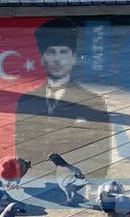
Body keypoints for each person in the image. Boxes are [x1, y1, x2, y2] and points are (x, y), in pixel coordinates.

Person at [7, 18, 111, 176]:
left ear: (73, 58)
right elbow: (21, 147)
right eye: (51, 53)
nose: (57, 59)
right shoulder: (26, 100)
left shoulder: (93, 101)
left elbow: (101, 154)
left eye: (63, 52)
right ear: (42, 59)